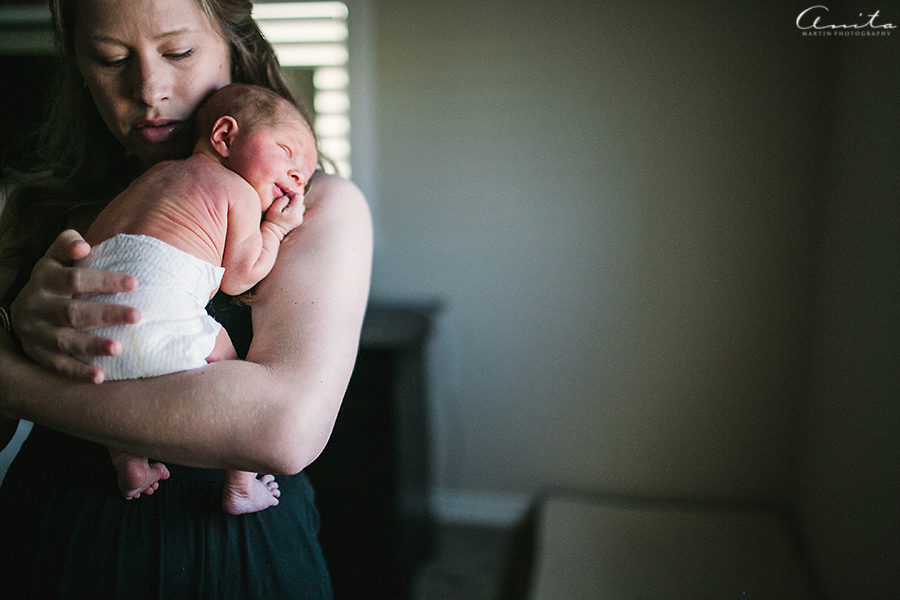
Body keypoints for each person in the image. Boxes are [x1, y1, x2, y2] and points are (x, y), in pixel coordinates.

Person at [0, 0, 372, 597]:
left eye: (179, 52)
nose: (150, 88)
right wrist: (17, 322)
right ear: (78, 67)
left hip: (231, 554)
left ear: (232, 43)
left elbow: (284, 431)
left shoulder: (315, 209)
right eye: (110, 58)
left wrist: (15, 378)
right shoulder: (37, 206)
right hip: (53, 540)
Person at [78, 82, 317, 515]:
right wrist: (276, 230)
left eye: (306, 174)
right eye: (288, 152)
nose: (299, 176)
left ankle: (127, 458)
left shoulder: (150, 179)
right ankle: (241, 483)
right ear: (225, 136)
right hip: (159, 311)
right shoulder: (237, 191)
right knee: (236, 376)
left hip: (88, 321)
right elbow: (239, 278)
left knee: (117, 383)